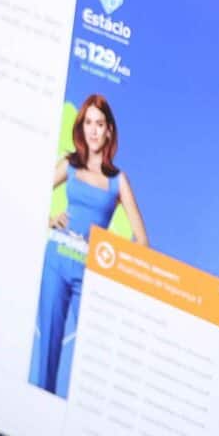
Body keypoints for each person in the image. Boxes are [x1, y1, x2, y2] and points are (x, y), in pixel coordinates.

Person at [29, 93, 147, 395]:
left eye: (100, 123)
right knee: (49, 344)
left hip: (91, 271)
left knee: (90, 353)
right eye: (88, 123)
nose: (93, 130)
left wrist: (111, 255)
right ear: (81, 128)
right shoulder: (69, 164)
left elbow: (141, 241)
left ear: (109, 130)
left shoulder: (118, 180)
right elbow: (30, 191)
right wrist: (49, 219)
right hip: (56, 260)